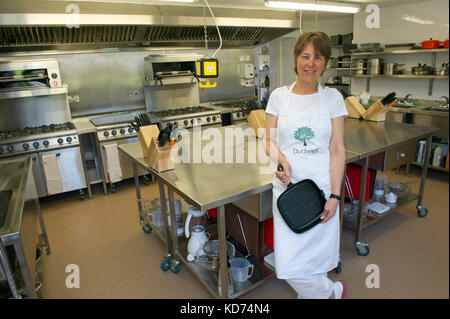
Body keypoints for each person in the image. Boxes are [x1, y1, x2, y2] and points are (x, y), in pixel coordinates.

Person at [264, 31, 348, 299]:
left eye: (318, 57)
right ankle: (330, 293)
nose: (311, 63)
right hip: (289, 191)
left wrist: (335, 195)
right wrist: (282, 160)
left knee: (317, 260)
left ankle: (316, 293)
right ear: (296, 59)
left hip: (321, 190)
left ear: (325, 63)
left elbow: (337, 148)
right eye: (305, 56)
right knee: (289, 266)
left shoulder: (333, 98)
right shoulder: (279, 96)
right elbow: (268, 141)